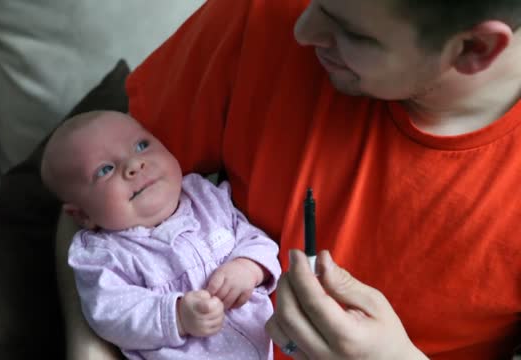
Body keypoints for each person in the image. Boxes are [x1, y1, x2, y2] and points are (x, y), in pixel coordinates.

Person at [56, 0, 521, 359]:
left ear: (474, 49)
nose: (301, 30)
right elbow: (96, 205)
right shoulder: (260, 16)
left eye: (351, 31)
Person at [42, 110, 282, 360]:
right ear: (82, 215)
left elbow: (254, 239)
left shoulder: (204, 197)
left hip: (270, 344)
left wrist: (248, 268)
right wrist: (177, 315)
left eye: (141, 145)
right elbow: (111, 312)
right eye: (105, 170)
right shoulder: (102, 255)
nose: (134, 164)